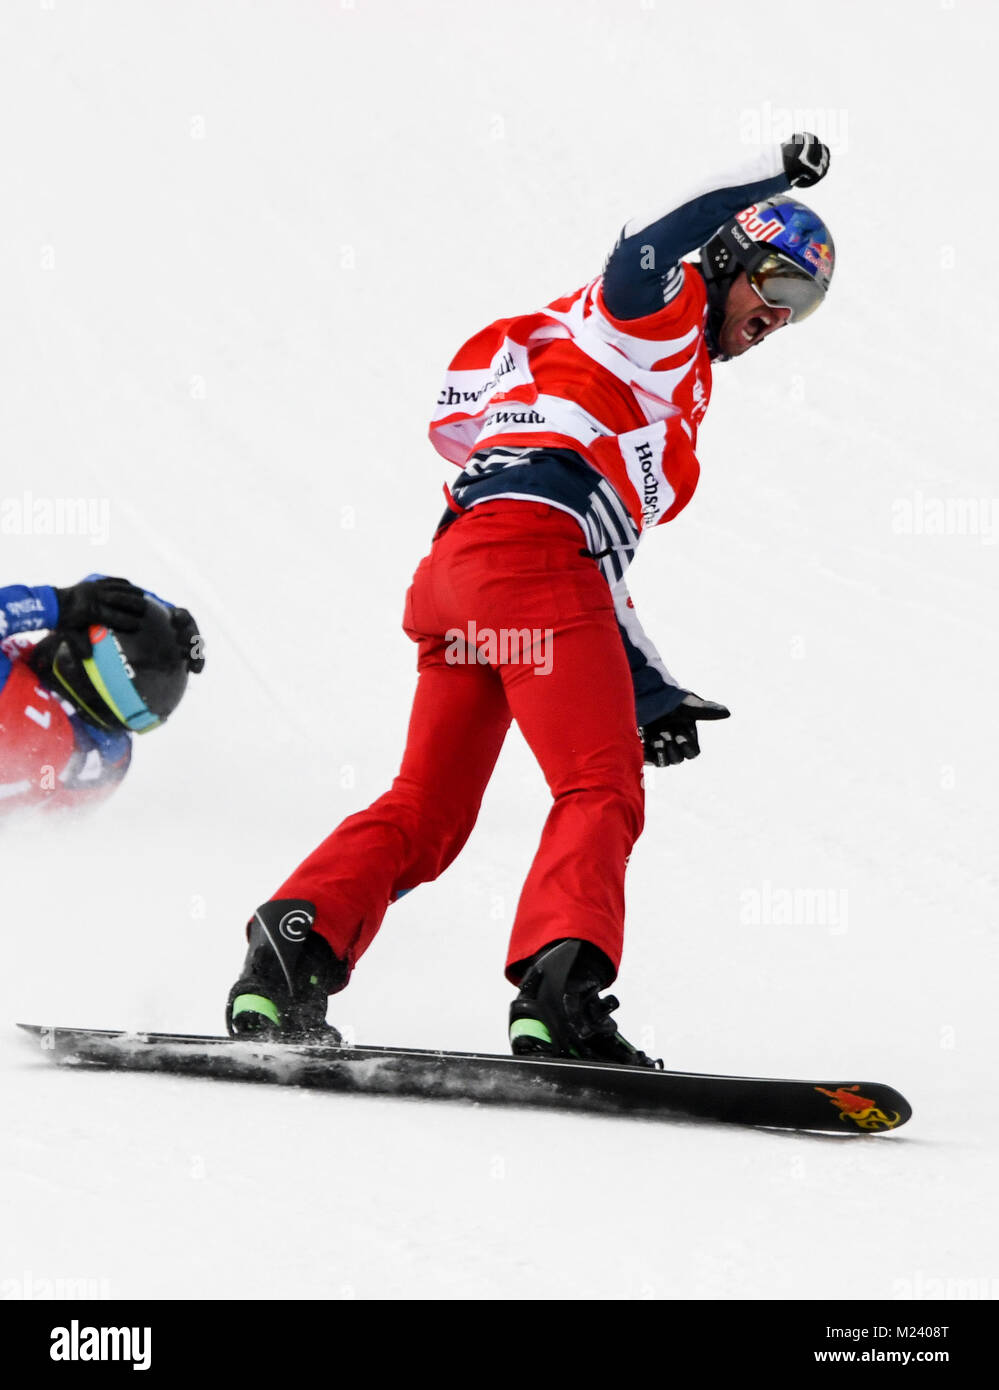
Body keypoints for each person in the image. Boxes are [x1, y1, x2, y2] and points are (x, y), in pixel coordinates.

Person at [226, 132, 834, 1064]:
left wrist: (651, 686)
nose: (781, 320)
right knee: (598, 786)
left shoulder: (653, 389)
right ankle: (561, 998)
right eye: (777, 288)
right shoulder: (654, 318)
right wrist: (766, 171)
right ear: (724, 261)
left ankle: (289, 951)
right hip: (526, 565)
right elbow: (641, 245)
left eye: (805, 306)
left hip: (460, 579)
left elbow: (589, 563)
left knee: (427, 810)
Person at [0, 576, 204, 814]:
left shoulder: (23, 713)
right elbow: (99, 594)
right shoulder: (110, 760)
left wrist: (57, 604)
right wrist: (164, 618)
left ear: (74, 665)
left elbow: (79, 602)